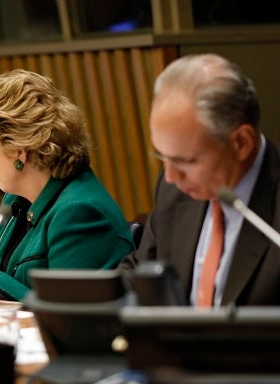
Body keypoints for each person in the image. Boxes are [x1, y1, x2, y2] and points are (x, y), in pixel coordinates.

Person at [0, 69, 134, 302]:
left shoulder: (80, 212)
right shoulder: (15, 201)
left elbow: (66, 312)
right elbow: (0, 277)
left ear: (18, 150)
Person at [120, 53, 280, 307]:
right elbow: (141, 269)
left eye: (185, 161)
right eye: (163, 157)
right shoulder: (175, 188)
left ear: (241, 143)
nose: (171, 176)